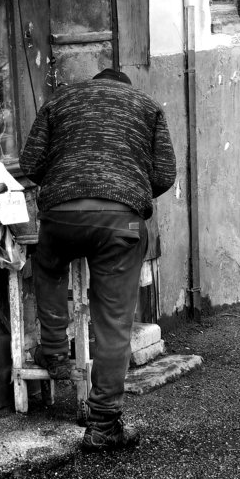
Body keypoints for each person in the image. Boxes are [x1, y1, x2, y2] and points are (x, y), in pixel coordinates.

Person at [19, 67, 176, 452]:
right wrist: (130, 190)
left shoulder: (60, 100)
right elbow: (165, 174)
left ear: (94, 84)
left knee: (50, 267)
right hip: (120, 221)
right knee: (114, 320)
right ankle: (104, 422)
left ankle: (55, 353)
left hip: (61, 216)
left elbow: (31, 164)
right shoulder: (148, 106)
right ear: (126, 88)